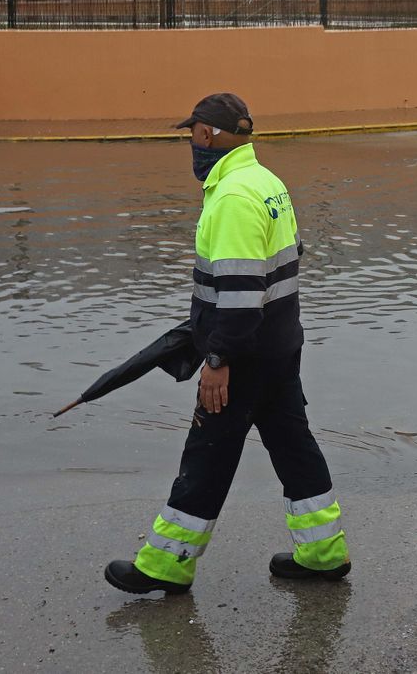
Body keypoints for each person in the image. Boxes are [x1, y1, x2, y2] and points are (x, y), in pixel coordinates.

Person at [104, 92, 350, 596]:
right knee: (294, 448)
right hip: (280, 347)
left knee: (207, 455)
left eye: (192, 133)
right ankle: (325, 553)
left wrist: (217, 359)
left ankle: (166, 564)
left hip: (246, 355)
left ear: (208, 135)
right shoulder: (266, 182)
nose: (190, 143)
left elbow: (240, 295)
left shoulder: (235, 196)